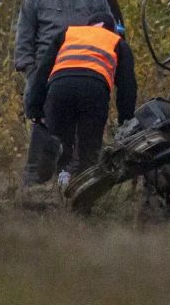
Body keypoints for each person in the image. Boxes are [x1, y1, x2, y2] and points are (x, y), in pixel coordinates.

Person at [13, 0, 112, 184]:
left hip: (85, 73)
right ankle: (35, 179)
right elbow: (24, 43)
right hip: (45, 75)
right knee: (43, 123)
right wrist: (32, 76)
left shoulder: (97, 2)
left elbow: (111, 40)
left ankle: (80, 179)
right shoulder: (36, 0)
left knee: (84, 127)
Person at [24, 12, 137, 186]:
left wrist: (35, 108)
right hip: (93, 88)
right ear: (113, 29)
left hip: (59, 86)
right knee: (89, 146)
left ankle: (61, 172)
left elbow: (43, 71)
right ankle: (83, 194)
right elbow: (127, 87)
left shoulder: (68, 34)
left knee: (62, 137)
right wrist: (125, 119)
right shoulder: (117, 42)